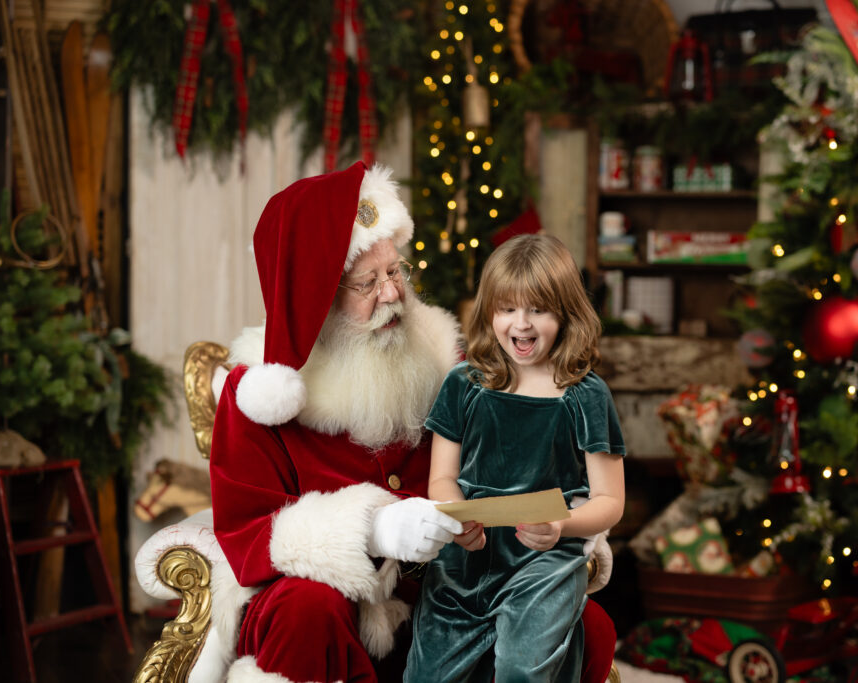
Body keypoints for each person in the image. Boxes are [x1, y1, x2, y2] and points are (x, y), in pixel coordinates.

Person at [208, 163, 618, 683]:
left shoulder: (451, 362)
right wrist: (371, 530)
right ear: (315, 302)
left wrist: (557, 524)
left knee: (588, 625)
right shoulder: (259, 395)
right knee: (304, 608)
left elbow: (525, 458)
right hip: (338, 608)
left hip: (452, 585)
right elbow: (246, 533)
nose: (392, 294)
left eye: (395, 271)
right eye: (367, 283)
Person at [404, 234, 626, 683]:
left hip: (544, 559)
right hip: (467, 557)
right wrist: (457, 519)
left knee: (523, 670)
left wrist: (562, 525)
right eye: (507, 308)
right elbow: (442, 479)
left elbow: (609, 500)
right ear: (489, 311)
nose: (520, 325)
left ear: (565, 312)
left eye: (538, 309)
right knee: (427, 675)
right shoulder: (464, 384)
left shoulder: (585, 394)